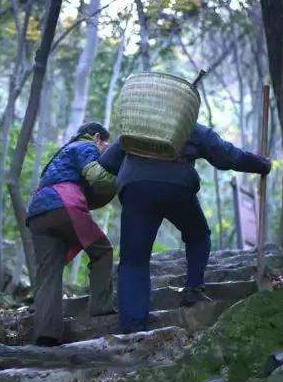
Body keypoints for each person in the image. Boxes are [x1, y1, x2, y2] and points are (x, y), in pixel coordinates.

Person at [98, 123, 272, 333]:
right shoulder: (187, 125)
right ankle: (193, 289)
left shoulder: (140, 125)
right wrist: (261, 164)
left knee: (134, 260)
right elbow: (226, 155)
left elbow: (107, 161)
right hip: (176, 186)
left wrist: (137, 166)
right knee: (197, 235)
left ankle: (132, 328)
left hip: (136, 189)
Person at [26, 122, 116, 347]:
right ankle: (101, 308)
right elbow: (97, 177)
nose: (105, 150)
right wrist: (122, 180)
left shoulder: (60, 156)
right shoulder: (87, 146)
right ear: (97, 137)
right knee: (103, 251)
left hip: (37, 214)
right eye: (106, 145)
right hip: (63, 205)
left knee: (49, 274)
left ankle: (46, 335)